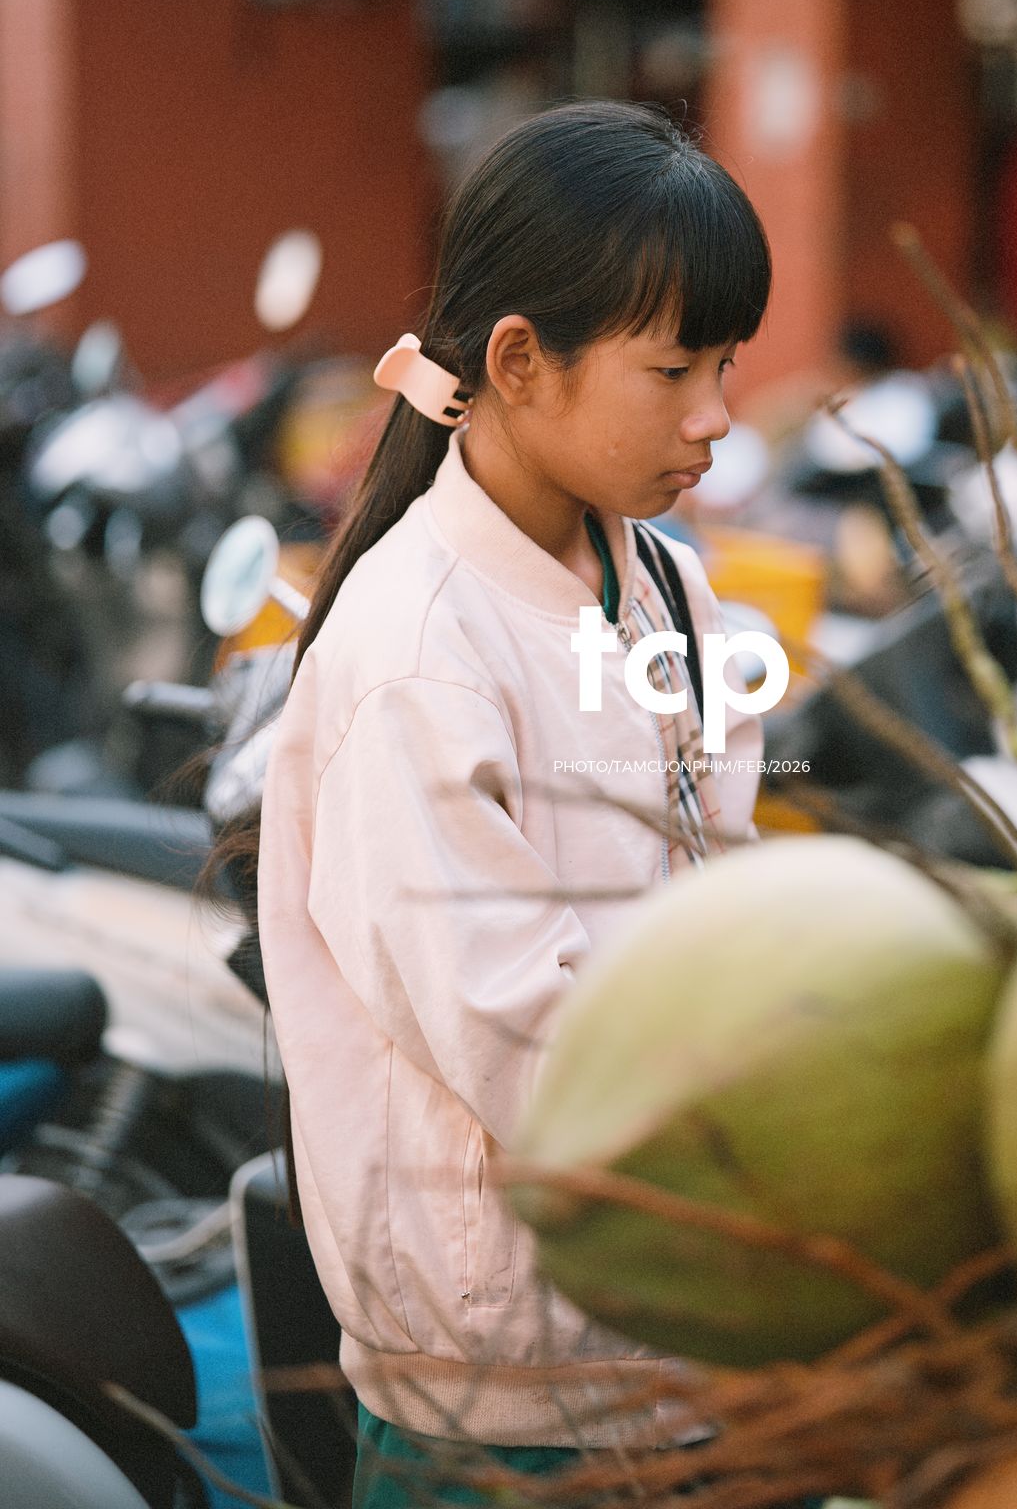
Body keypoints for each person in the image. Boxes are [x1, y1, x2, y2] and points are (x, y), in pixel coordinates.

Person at [254, 102, 773, 1507]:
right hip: (511, 1409)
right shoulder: (417, 652)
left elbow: (718, 897)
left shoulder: (670, 591)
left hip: (679, 1346)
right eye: (673, 369)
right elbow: (531, 1049)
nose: (716, 417)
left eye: (726, 365)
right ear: (520, 362)